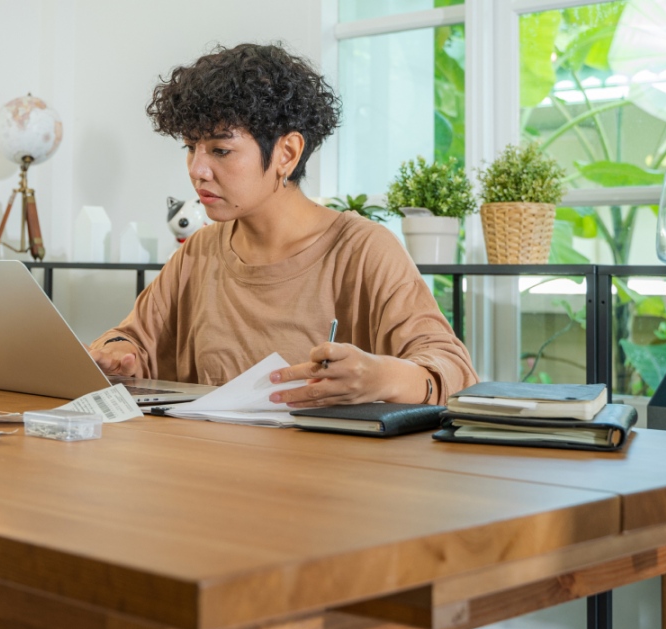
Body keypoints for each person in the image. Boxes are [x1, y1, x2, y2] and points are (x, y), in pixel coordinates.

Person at [89, 43, 478, 407]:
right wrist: (113, 353)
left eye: (220, 150)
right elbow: (133, 341)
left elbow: (453, 372)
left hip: (324, 475)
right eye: (191, 148)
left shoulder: (364, 250)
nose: (197, 169)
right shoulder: (199, 251)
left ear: (287, 153)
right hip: (206, 471)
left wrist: (385, 377)